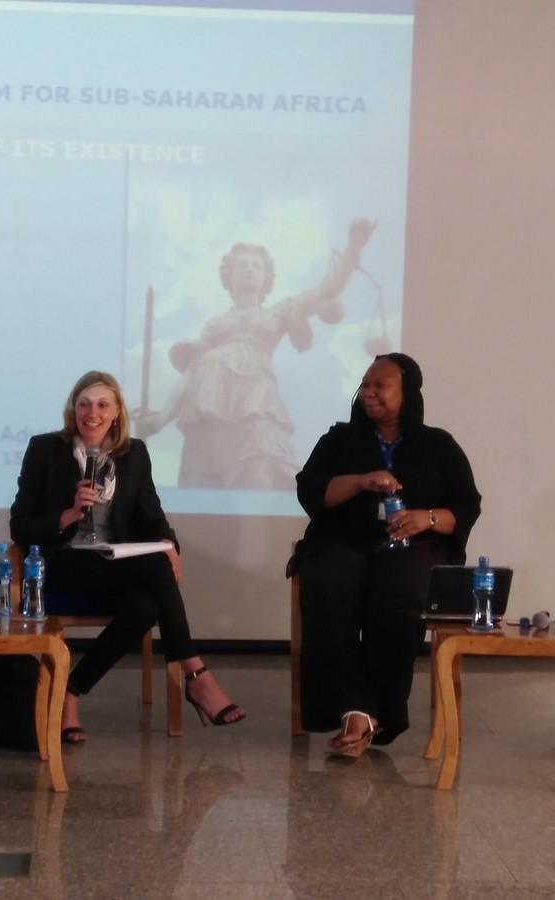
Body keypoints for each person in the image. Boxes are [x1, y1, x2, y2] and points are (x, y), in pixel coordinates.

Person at [10, 370, 245, 743]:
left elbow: (152, 516)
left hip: (113, 565)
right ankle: (196, 674)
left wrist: (169, 544)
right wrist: (69, 514)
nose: (93, 414)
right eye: (84, 404)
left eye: (103, 405)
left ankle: (71, 689)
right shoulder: (45, 449)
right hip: (63, 564)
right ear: (73, 409)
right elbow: (20, 526)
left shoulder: (133, 453)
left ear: (117, 412)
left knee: (147, 605)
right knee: (155, 571)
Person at [293, 353, 481, 756]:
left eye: (380, 385)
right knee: (329, 581)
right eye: (365, 384)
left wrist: (426, 518)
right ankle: (352, 709)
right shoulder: (338, 440)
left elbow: (466, 508)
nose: (369, 392)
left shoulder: (438, 445)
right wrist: (361, 481)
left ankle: (381, 710)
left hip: (415, 547)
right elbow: (312, 492)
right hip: (344, 541)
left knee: (399, 588)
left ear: (407, 393)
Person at [135, 218, 377, 489]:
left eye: (256, 265)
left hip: (255, 400)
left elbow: (326, 289)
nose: (249, 269)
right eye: (242, 264)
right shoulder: (215, 325)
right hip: (209, 405)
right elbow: (191, 375)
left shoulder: (278, 312)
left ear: (266, 278)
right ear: (229, 275)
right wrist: (161, 419)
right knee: (204, 481)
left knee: (259, 471)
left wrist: (353, 246)